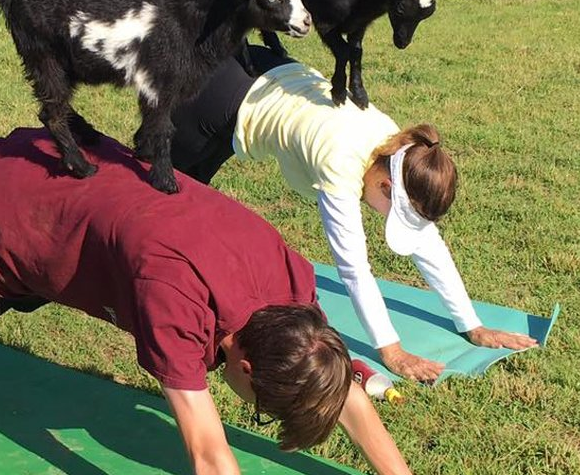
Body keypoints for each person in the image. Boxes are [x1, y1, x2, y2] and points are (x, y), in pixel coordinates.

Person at [0, 128, 412, 475]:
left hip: (88, 185)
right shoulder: (177, 306)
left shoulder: (292, 296)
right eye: (258, 406)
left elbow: (335, 385)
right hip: (16, 199)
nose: (252, 409)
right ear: (245, 367)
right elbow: (209, 456)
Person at [169, 45, 537, 381]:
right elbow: (354, 268)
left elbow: (428, 245)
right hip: (217, 92)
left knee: (186, 199)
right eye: (395, 214)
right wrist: (391, 351)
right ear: (387, 189)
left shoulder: (401, 150)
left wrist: (471, 324)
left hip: (266, 68)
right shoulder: (342, 164)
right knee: (166, 196)